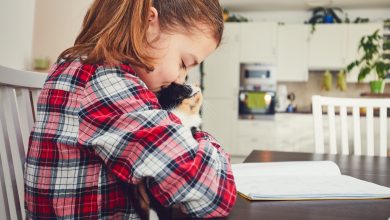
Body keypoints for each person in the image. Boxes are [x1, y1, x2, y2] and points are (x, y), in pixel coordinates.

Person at [24, 0, 237, 219]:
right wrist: (202, 141)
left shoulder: (83, 70)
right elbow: (209, 195)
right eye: (183, 63)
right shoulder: (105, 82)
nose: (180, 79)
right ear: (148, 23)